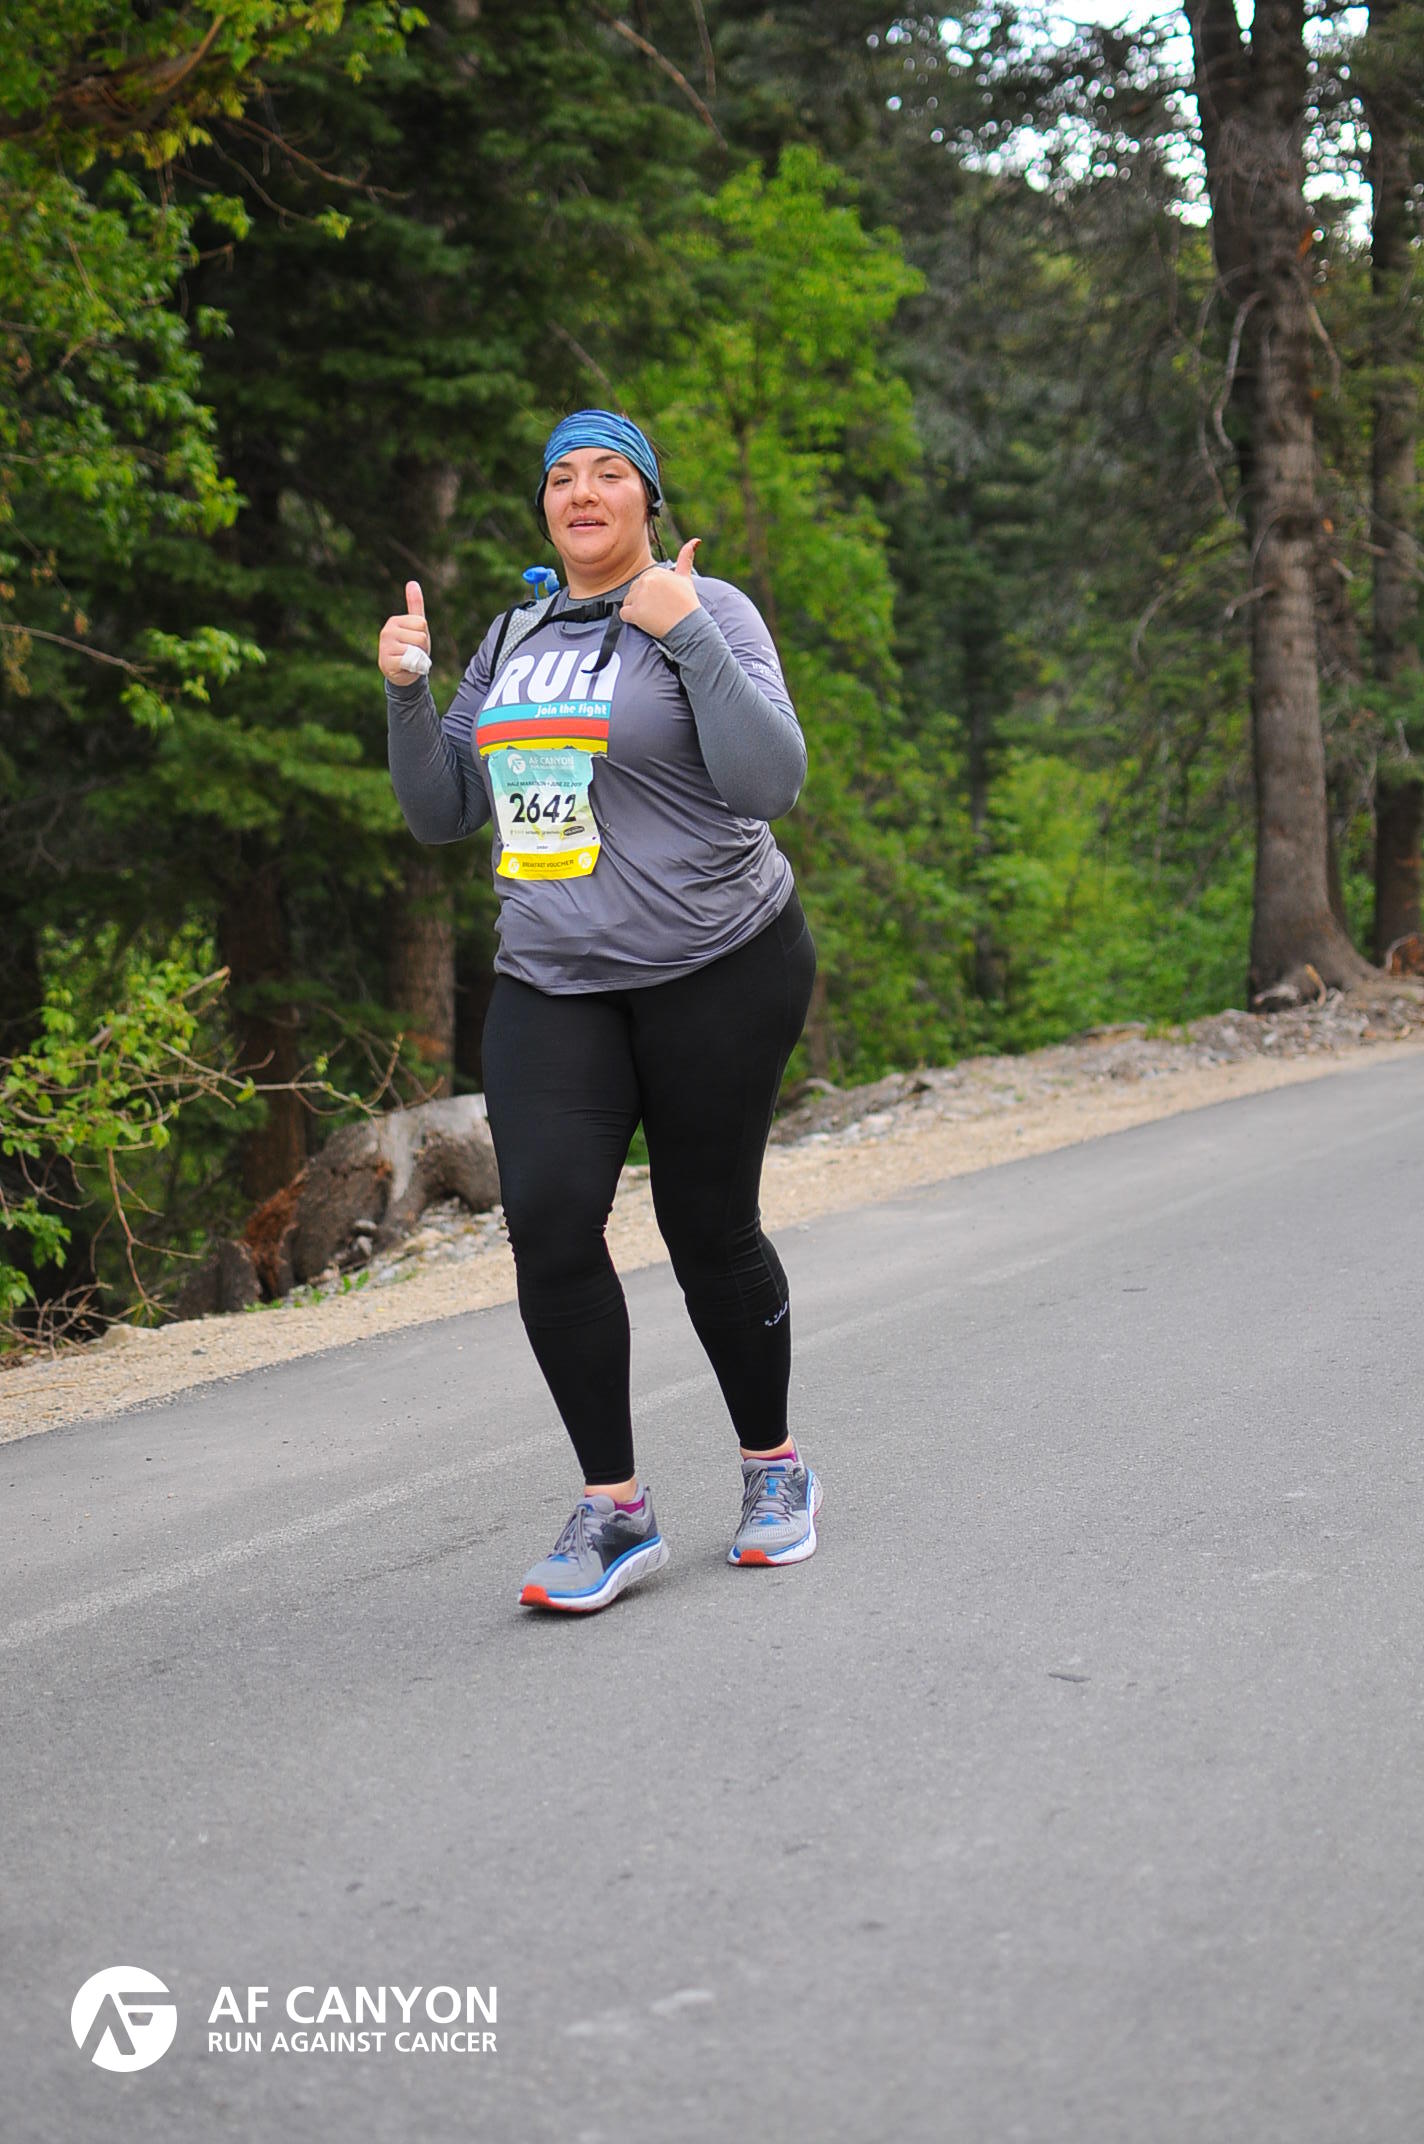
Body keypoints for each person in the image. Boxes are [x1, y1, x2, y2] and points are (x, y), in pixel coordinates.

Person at [380, 409, 820, 1612]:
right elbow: (443, 809)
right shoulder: (513, 635)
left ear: (647, 501)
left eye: (608, 472)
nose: (581, 491)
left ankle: (773, 1468)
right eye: (561, 476)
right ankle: (615, 1508)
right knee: (551, 1221)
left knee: (705, 1228)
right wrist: (409, 692)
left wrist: (683, 633)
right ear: (545, 507)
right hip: (553, 978)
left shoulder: (708, 607)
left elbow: (770, 779)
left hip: (717, 962)